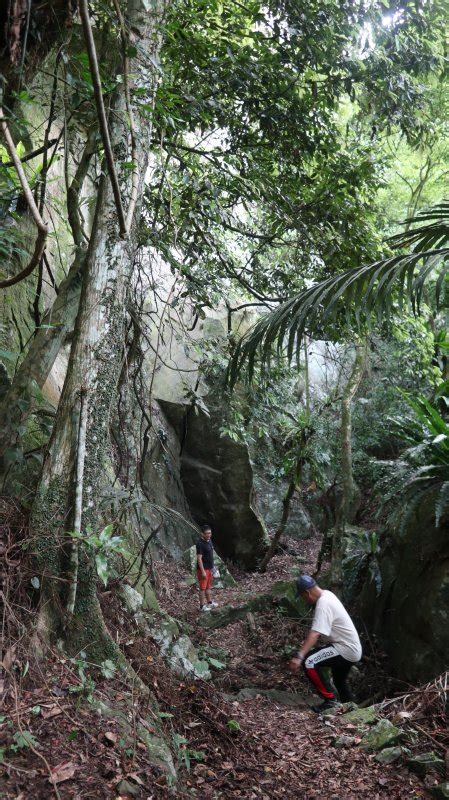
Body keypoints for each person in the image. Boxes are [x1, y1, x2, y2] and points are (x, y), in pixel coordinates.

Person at [289, 575, 362, 713]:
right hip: (352, 649)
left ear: (307, 593)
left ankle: (330, 701)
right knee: (339, 681)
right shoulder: (328, 594)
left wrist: (299, 656)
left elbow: (315, 633)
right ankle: (352, 710)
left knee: (309, 661)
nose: (305, 600)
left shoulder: (323, 604)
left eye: (303, 597)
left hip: (345, 648)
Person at [196, 524, 218, 612]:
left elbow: (211, 555)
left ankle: (210, 602)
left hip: (210, 568)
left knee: (208, 587)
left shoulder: (209, 540)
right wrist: (203, 572)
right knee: (202, 588)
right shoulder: (200, 544)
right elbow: (199, 558)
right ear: (202, 534)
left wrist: (213, 567)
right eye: (207, 533)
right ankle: (202, 606)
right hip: (203, 569)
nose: (209, 535)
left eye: (210, 533)